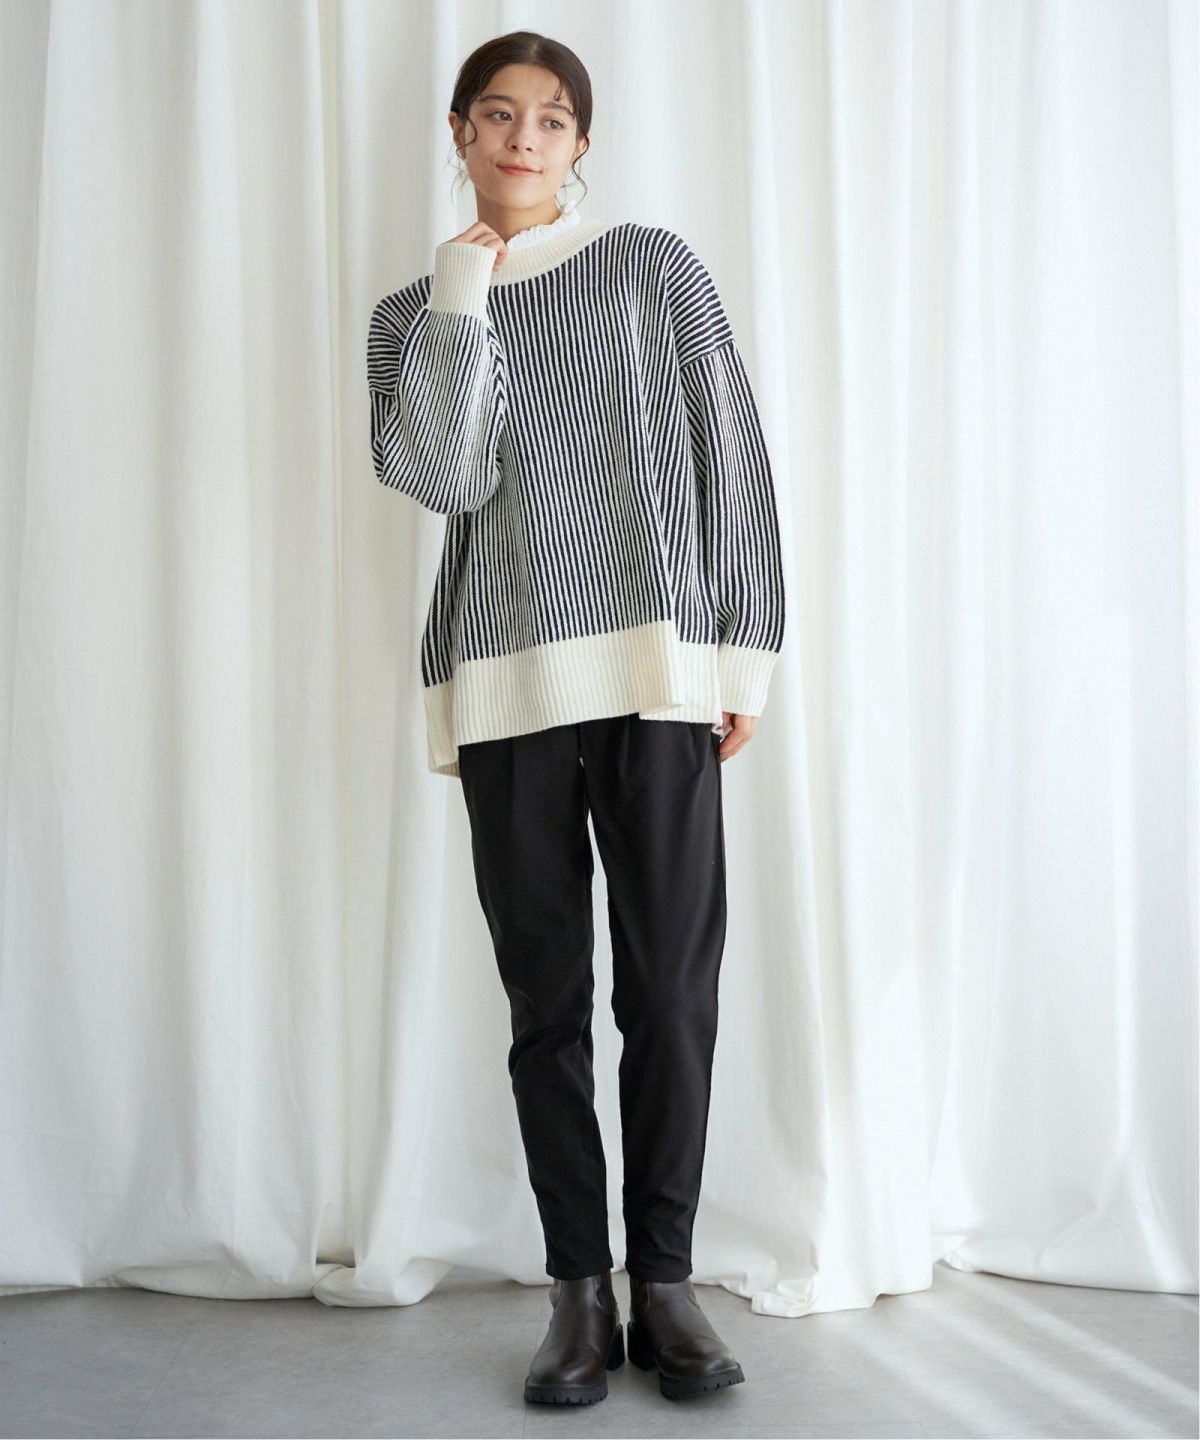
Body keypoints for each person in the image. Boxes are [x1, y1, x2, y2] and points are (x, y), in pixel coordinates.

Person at [367, 30, 785, 1407]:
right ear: (461, 131)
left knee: (670, 991)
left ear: (582, 144)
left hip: (659, 671)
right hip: (506, 689)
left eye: (551, 120)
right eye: (498, 116)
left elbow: (730, 448)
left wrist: (744, 655)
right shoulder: (415, 313)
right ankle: (577, 1294)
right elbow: (442, 474)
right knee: (545, 1006)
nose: (524, 139)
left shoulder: (652, 266)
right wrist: (464, 287)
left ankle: (664, 1285)